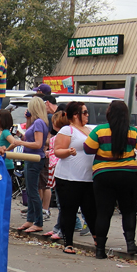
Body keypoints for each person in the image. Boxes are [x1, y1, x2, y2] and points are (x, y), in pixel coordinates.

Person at [84, 100, 137, 258]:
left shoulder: (100, 131)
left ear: (109, 113)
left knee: (103, 212)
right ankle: (130, 244)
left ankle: (100, 249)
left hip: (103, 175)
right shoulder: (133, 132)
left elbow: (88, 149)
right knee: (128, 211)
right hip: (128, 175)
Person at [53, 102, 96, 254]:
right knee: (69, 210)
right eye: (84, 112)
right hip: (68, 177)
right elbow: (57, 151)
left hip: (87, 178)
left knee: (90, 210)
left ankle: (98, 240)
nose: (87, 115)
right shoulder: (67, 129)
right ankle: (68, 243)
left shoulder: (90, 130)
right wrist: (68, 151)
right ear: (76, 115)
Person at [15, 98, 49, 233]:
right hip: (30, 158)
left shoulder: (39, 123)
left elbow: (38, 144)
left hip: (34, 158)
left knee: (33, 190)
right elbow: (29, 137)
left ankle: (38, 221)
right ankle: (30, 219)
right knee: (29, 190)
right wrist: (27, 121)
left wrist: (21, 144)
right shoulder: (36, 123)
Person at [0, 109, 21, 192]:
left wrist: (6, 151)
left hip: (6, 164)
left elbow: (15, 142)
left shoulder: (5, 132)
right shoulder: (2, 132)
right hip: (3, 163)